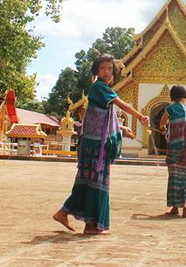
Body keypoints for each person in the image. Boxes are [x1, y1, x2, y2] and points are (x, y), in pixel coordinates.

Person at [53, 54, 149, 234]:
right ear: (97, 71)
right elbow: (123, 106)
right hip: (96, 146)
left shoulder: (102, 89)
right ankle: (91, 225)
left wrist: (121, 128)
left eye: (110, 68)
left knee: (89, 182)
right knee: (95, 182)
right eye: (103, 68)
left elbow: (101, 117)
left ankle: (68, 214)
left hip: (97, 143)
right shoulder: (100, 88)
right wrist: (141, 117)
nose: (107, 71)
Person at [158, 85, 186, 218]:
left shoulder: (171, 108)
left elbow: (163, 121)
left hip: (176, 147)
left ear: (173, 97)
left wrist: (163, 128)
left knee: (175, 176)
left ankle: (175, 207)